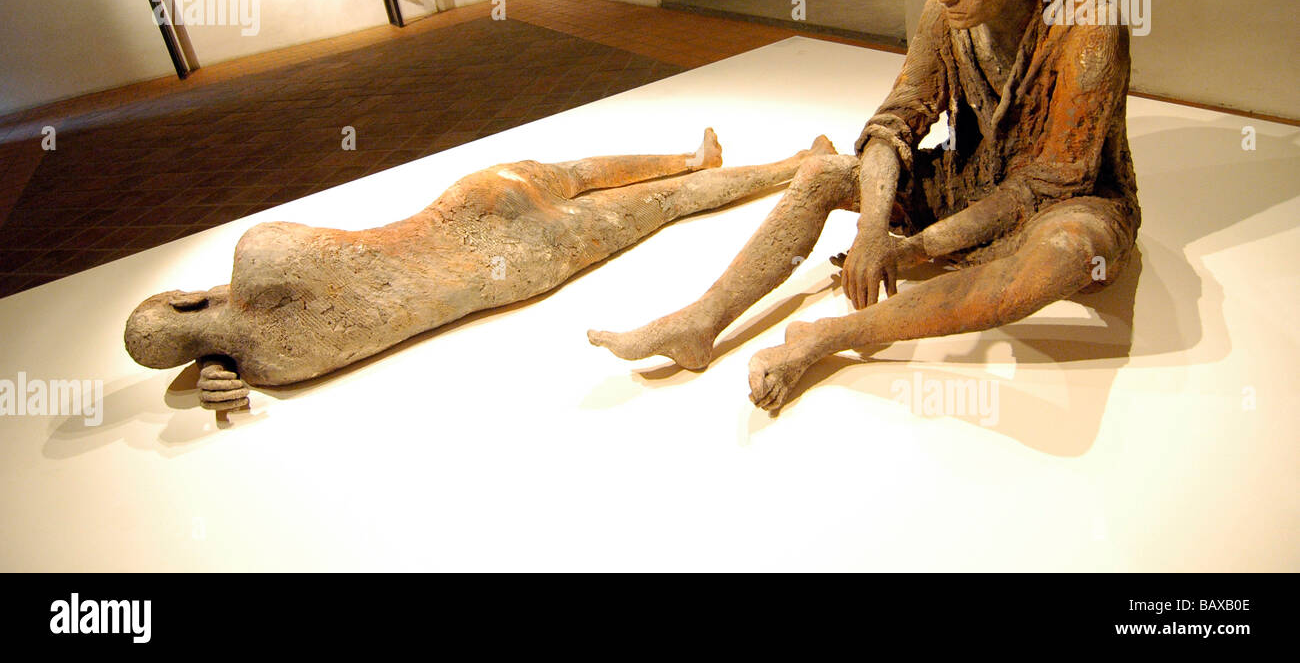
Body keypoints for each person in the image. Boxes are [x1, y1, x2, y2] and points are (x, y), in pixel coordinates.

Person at [589, 0, 1141, 414]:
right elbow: (894, 121)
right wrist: (874, 228)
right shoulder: (945, 14)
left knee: (1065, 255)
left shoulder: (1089, 25)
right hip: (968, 179)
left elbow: (1046, 184)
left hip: (1070, 201)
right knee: (825, 172)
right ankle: (701, 322)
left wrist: (919, 248)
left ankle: (829, 337)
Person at [125, 130, 835, 410]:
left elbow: (261, 327)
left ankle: (786, 168)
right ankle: (697, 156)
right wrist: (215, 348)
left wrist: (219, 366)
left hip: (506, 268)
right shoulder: (254, 256)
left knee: (666, 206)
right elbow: (270, 283)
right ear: (186, 301)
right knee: (577, 171)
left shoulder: (274, 368)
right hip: (465, 207)